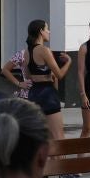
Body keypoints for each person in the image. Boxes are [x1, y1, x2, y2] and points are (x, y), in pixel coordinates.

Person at [21, 20, 73, 158]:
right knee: (58, 135)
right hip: (47, 94)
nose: (49, 32)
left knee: (44, 136)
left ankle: (50, 168)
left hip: (34, 94)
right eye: (47, 29)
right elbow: (59, 74)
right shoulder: (44, 50)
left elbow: (27, 75)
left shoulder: (26, 51)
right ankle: (64, 171)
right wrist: (69, 62)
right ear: (40, 31)